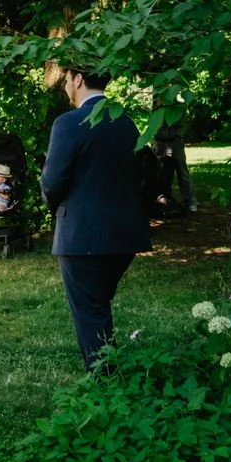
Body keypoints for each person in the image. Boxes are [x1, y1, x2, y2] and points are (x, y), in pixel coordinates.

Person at [40, 66, 151, 371]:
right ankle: (108, 379)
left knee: (90, 313)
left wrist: (56, 207)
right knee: (97, 307)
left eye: (65, 80)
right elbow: (144, 174)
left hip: (82, 236)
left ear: (77, 79)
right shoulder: (126, 122)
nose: (64, 86)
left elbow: (51, 182)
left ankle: (104, 388)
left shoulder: (69, 123)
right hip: (124, 234)